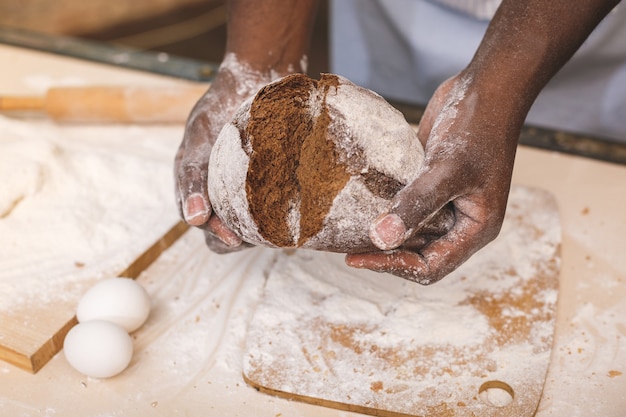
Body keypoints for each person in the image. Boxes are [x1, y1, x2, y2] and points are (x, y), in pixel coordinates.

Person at [174, 0, 622, 285]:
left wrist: (498, 92)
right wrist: (259, 60)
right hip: (393, 17)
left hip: (568, 32)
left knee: (584, 179)